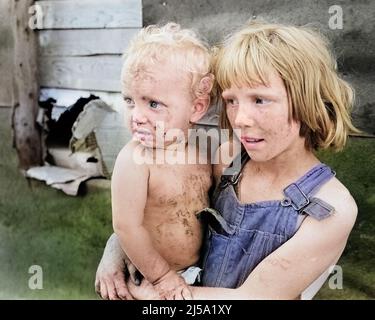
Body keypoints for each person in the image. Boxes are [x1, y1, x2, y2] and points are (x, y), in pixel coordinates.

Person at [96, 20, 359, 300]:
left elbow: (254, 298)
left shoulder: (331, 208)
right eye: (232, 101)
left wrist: (156, 297)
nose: (240, 120)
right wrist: (117, 247)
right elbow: (165, 209)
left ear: (308, 100)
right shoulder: (229, 160)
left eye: (260, 100)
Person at [96, 22, 217, 300]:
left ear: (196, 107)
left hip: (195, 272)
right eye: (129, 100)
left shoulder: (201, 151)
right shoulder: (135, 160)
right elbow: (126, 226)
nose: (136, 116)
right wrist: (162, 277)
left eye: (152, 104)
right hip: (149, 278)